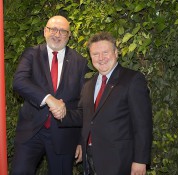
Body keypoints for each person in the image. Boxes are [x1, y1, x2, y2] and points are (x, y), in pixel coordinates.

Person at [63, 32, 153, 175]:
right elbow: (85, 117)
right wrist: (63, 114)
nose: (101, 58)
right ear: (91, 57)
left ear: (116, 53)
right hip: (90, 159)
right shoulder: (88, 85)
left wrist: (140, 160)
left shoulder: (132, 80)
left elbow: (143, 124)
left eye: (105, 52)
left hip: (119, 161)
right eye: (95, 54)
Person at [11, 15, 88, 175]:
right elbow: (19, 81)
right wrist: (49, 99)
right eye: (53, 29)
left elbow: (83, 104)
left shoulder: (80, 62)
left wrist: (82, 140)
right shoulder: (31, 54)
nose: (57, 34)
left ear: (69, 36)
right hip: (31, 131)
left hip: (64, 135)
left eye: (62, 31)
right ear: (45, 31)